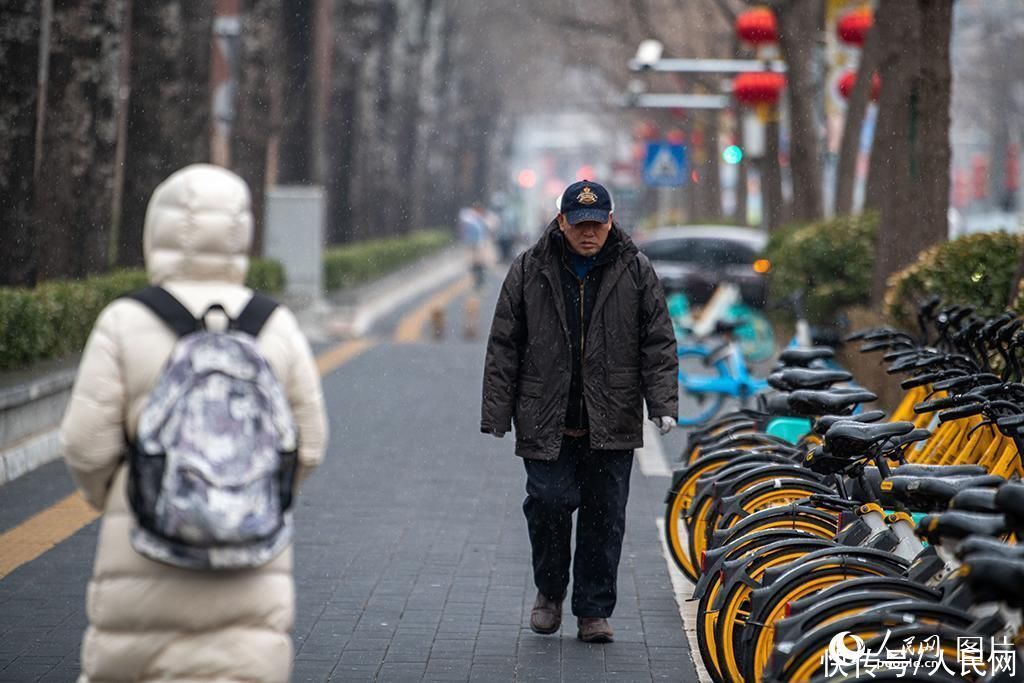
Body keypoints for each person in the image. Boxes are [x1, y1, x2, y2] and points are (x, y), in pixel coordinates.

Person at [60, 164, 328, 682]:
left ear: (155, 229)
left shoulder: (125, 320)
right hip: (250, 568)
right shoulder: (275, 325)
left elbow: (85, 447)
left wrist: (132, 497)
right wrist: (245, 495)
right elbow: (310, 444)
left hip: (141, 563)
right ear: (240, 233)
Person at [480, 179, 678, 643]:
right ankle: (549, 592)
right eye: (580, 223)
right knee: (548, 504)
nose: (589, 233)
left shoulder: (635, 268)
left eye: (597, 223)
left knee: (603, 518)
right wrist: (496, 412)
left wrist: (663, 402)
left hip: (612, 418)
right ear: (562, 221)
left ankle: (592, 611)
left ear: (610, 221)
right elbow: (504, 343)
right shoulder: (530, 268)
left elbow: (658, 340)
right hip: (547, 415)